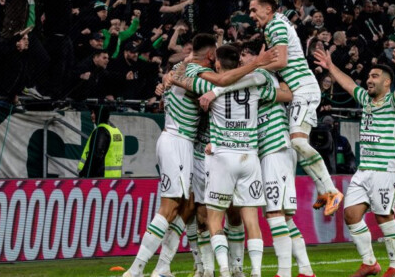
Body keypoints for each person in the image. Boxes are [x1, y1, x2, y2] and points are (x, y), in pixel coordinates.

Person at [124, 34, 275, 277]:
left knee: (187, 206)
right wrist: (256, 64)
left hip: (182, 141)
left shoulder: (181, 68)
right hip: (180, 141)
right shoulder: (197, 73)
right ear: (210, 55)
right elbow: (223, 81)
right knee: (171, 207)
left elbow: (190, 80)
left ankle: (164, 267)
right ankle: (135, 270)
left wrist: (168, 79)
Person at [198, 40, 314, 277]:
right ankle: (285, 270)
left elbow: (287, 94)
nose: (244, 59)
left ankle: (230, 270)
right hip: (252, 155)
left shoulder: (218, 82)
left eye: (247, 54)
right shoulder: (256, 84)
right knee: (266, 217)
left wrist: (209, 87)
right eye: (241, 56)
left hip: (256, 151)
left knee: (227, 217)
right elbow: (285, 94)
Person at [174, 44, 279, 277]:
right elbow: (281, 91)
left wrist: (183, 68)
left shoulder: (208, 85)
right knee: (251, 220)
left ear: (218, 63)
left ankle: (223, 269)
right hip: (249, 157)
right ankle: (256, 272)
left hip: (222, 156)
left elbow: (179, 79)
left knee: (214, 218)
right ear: (239, 62)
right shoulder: (256, 84)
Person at [313, 47, 395, 277]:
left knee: (383, 216)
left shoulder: (393, 103)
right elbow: (348, 84)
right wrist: (330, 66)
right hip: (364, 170)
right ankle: (370, 263)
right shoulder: (366, 100)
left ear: (387, 82)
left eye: (375, 76)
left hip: (385, 170)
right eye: (368, 76)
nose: (369, 80)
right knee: (351, 214)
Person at [248, 0, 343, 216]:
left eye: (254, 9)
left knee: (298, 143)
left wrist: (254, 67)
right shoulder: (277, 23)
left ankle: (332, 190)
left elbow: (281, 61)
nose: (251, 15)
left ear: (268, 9)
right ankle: (323, 190)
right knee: (297, 146)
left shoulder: (275, 26)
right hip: (300, 90)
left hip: (303, 89)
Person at [77, 105, 124, 178]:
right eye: (91, 113)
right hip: (115, 177)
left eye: (94, 113)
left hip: (100, 177)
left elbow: (96, 156)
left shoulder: (101, 131)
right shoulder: (116, 131)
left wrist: (85, 173)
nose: (92, 115)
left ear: (100, 114)